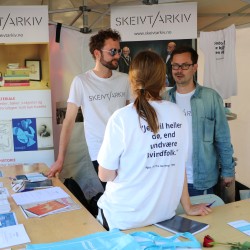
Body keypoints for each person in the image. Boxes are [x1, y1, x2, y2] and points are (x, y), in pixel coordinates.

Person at [96, 50, 211, 231]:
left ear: (131, 80)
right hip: (163, 220)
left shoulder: (121, 118)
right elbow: (179, 166)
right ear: (163, 81)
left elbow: (105, 175)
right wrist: (187, 206)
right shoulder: (177, 114)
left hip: (122, 220)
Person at [47, 29, 131, 180]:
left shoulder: (125, 79)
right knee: (112, 193)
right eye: (113, 51)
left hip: (126, 149)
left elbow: (131, 114)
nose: (117, 55)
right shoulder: (81, 81)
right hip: (100, 151)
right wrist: (60, 159)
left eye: (118, 51)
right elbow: (69, 121)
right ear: (97, 53)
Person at [164, 46, 235, 196]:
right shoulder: (164, 99)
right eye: (175, 65)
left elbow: (222, 137)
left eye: (184, 65)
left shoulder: (211, 98)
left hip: (202, 180)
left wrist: (228, 170)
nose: (179, 70)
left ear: (195, 67)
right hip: (169, 180)